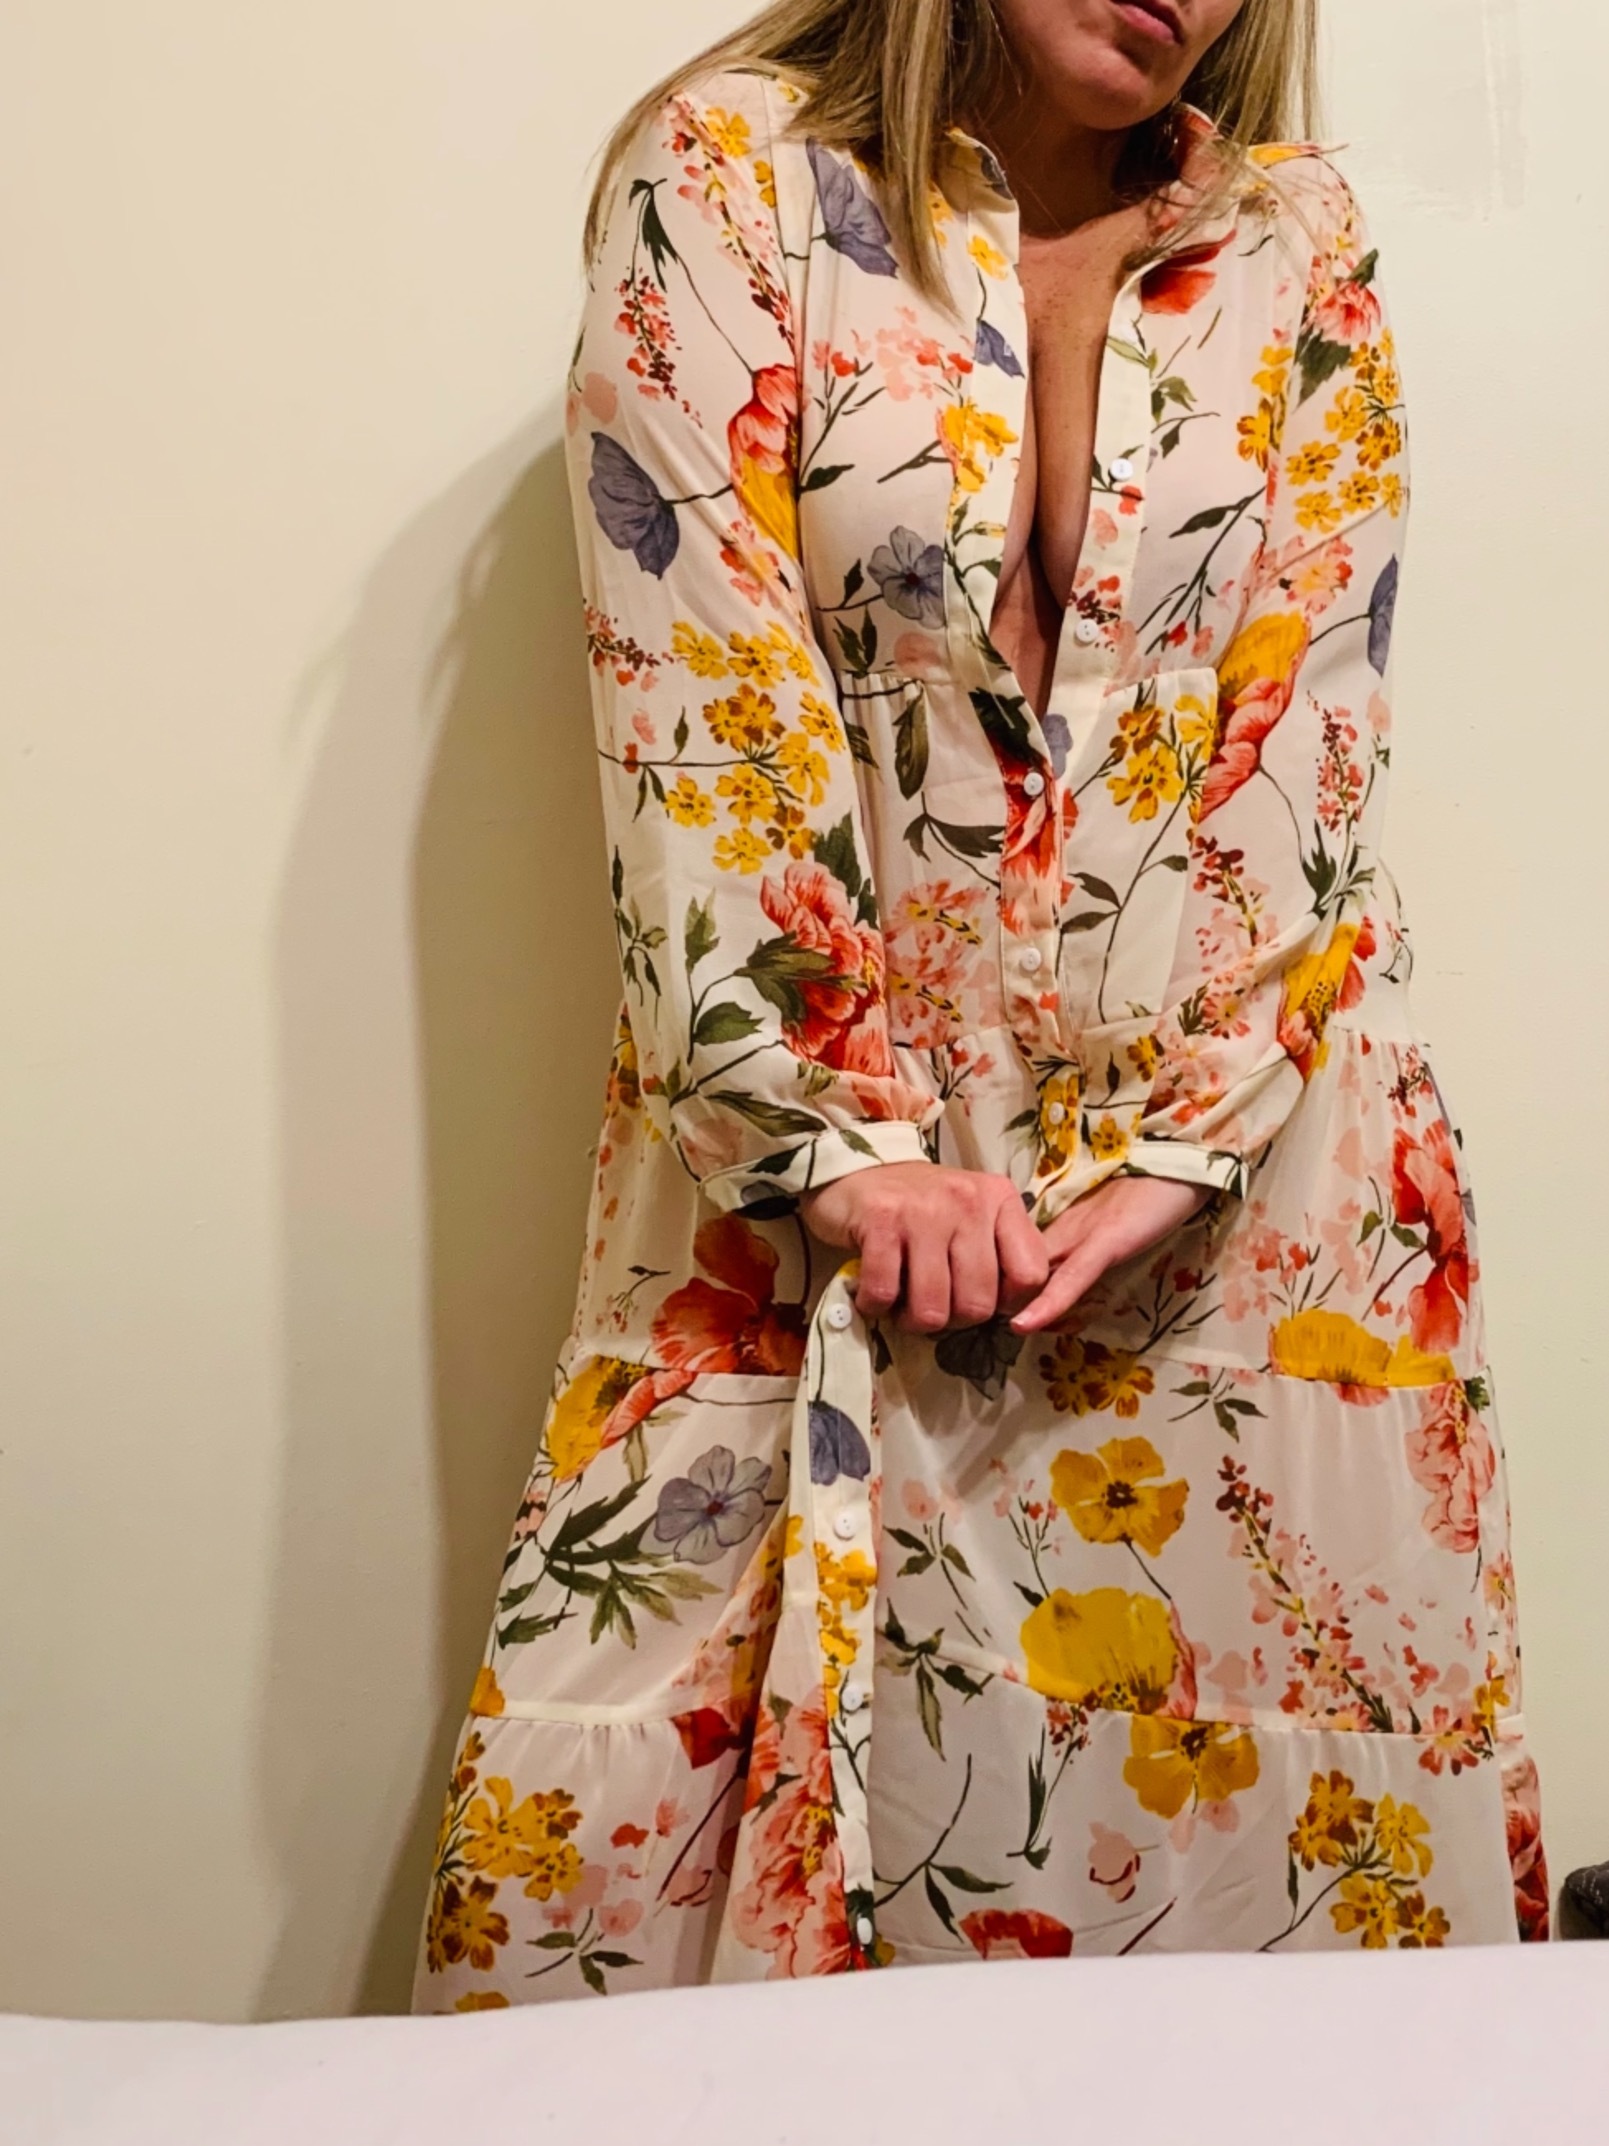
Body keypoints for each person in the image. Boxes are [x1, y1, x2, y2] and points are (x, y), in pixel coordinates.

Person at [413, 0, 1550, 2009]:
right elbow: (695, 697)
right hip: (816, 1181)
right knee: (667, 1958)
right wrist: (836, 1146)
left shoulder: (1296, 244)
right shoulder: (732, 187)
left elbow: (1315, 715)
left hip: (1255, 1205)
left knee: (1276, 1944)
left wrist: (1191, 1134)